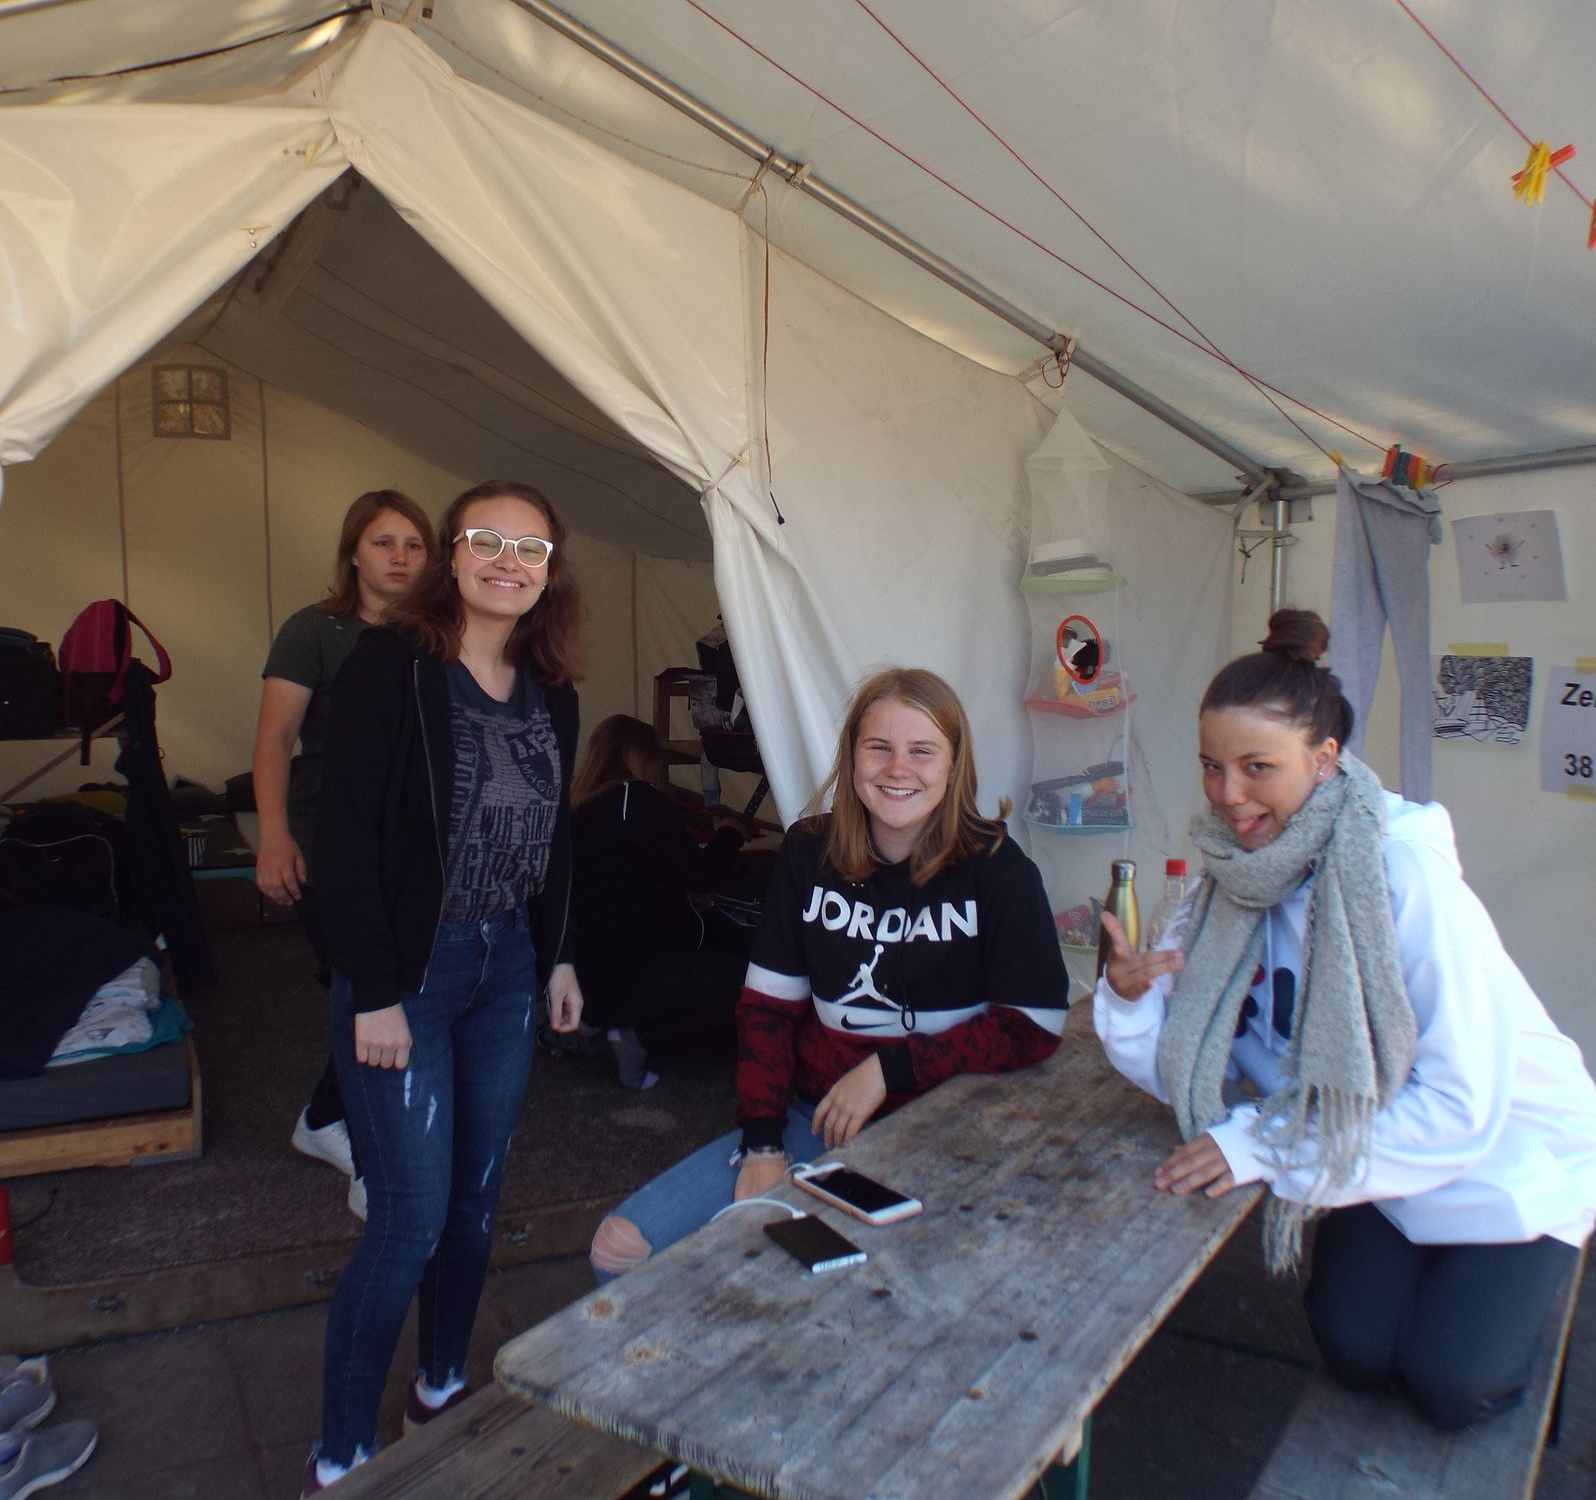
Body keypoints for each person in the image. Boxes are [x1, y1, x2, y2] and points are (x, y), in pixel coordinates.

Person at [1093, 609, 1596, 1432]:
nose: (1229, 796)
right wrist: (1129, 1001)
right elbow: (1190, 1068)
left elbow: (1462, 1104)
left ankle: (1523, 1300)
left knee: (1450, 1386)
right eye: (1212, 767)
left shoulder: (1401, 877)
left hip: (1509, 1162)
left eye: (1258, 768)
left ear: (1325, 759)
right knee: (1356, 1351)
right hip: (1370, 1153)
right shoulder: (1226, 880)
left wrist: (1258, 1147)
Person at [590, 667, 1069, 1280]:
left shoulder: (997, 868)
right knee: (619, 1248)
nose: (898, 769)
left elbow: (1033, 1025)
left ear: (954, 765)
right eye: (879, 747)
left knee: (894, 1284)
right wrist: (763, 1144)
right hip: (819, 1119)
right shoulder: (807, 852)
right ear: (851, 757)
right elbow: (766, 1012)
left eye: (922, 751)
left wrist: (891, 1068)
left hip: (949, 1125)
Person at [303, 480, 585, 1491]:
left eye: (530, 548)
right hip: (409, 976)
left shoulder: (553, 689)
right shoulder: (391, 668)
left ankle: (438, 1384)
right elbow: (340, 841)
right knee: (408, 1220)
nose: (508, 561)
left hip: (504, 967)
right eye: (487, 540)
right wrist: (372, 990)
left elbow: (552, 838)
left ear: (550, 572)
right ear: (451, 553)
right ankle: (340, 1453)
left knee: (474, 1201)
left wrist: (557, 953)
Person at [254, 490, 434, 1209]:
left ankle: (329, 1117)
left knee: (391, 988)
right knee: (361, 983)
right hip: (327, 836)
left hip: (410, 844)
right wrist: (274, 837)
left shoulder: (439, 633)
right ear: (353, 553)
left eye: (414, 544)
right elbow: (274, 741)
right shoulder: (316, 630)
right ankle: (365, 1148)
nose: (400, 557)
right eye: (384, 542)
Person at [565, 715, 754, 1089]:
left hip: (586, 969)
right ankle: (635, 1035)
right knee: (754, 982)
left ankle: (601, 1023)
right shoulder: (638, 799)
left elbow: (623, 879)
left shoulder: (580, 805)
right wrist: (730, 835)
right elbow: (699, 874)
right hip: (634, 968)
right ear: (640, 756)